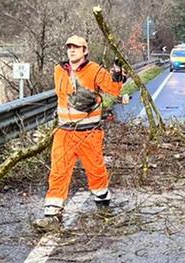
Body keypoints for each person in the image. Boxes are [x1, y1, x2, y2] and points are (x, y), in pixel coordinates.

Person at [35, 36, 122, 231]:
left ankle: (103, 207)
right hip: (65, 132)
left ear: (85, 50)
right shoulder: (59, 70)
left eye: (76, 48)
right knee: (58, 171)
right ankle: (51, 215)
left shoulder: (95, 70)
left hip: (89, 132)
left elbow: (113, 90)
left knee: (96, 170)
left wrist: (118, 76)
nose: (72, 51)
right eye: (69, 47)